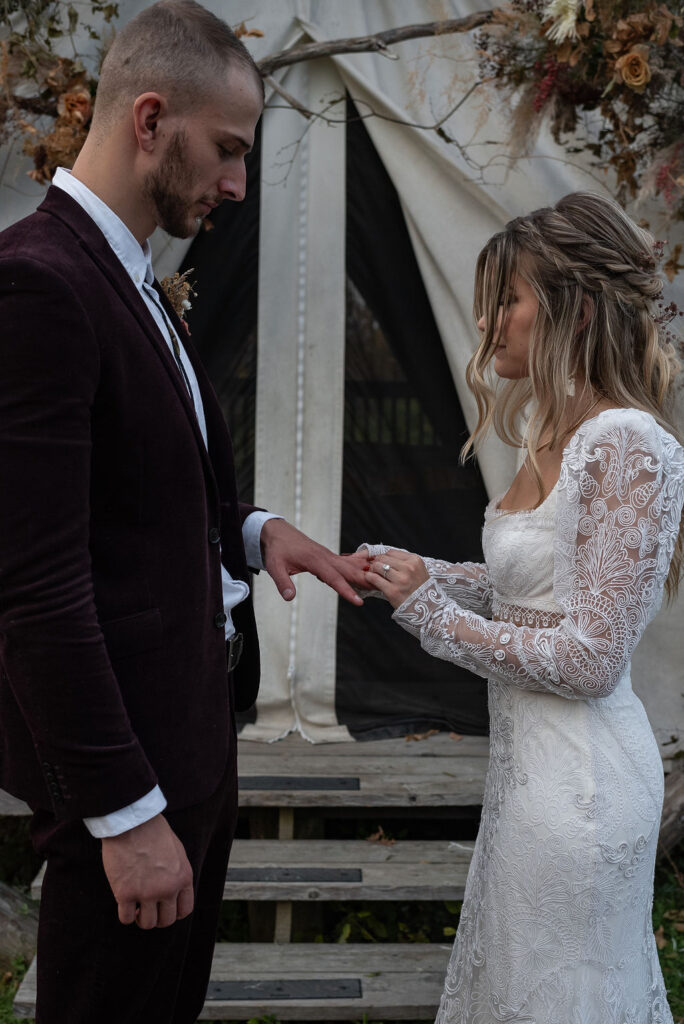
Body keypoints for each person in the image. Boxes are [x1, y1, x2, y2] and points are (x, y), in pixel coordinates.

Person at [0, 3, 367, 1022]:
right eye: (229, 151)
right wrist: (123, 815)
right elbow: (34, 586)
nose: (239, 184)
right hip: (128, 789)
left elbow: (141, 492)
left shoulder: (135, 279)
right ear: (150, 118)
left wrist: (251, 531)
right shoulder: (37, 285)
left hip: (193, 754)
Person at [353, 192, 684, 1023]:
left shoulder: (627, 443)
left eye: (510, 298)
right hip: (527, 776)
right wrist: (420, 574)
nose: (492, 321)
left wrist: (431, 614)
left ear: (571, 307)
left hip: (583, 786)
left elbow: (589, 658)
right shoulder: (551, 429)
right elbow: (530, 595)